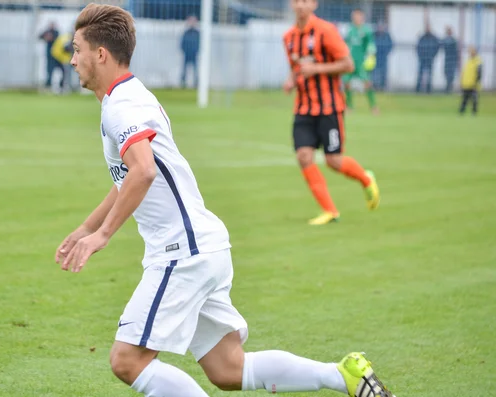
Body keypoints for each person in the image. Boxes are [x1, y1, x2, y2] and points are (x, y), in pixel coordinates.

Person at [59, 3, 394, 397]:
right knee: (227, 368)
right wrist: (88, 227)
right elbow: (131, 176)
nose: (72, 58)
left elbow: (144, 171)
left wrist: (103, 237)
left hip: (182, 253)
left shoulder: (122, 105)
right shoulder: (128, 96)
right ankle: (343, 377)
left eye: (77, 48)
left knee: (126, 360)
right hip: (204, 246)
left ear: (101, 54)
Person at [282, 1, 380, 225]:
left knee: (333, 160)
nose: (300, 5)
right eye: (296, 1)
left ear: (314, 4)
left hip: (329, 107)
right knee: (304, 156)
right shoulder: (288, 37)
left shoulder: (326, 31)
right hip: (304, 108)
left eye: (305, 1)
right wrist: (290, 81)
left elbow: (348, 64)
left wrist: (316, 69)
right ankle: (330, 211)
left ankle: (366, 179)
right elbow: (295, 68)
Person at [343, 9, 378, 113]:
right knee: (346, 83)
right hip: (350, 61)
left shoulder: (366, 31)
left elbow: (371, 45)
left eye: (358, 16)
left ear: (362, 17)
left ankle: (373, 107)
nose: (356, 18)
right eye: (354, 16)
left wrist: (370, 57)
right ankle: (349, 107)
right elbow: (345, 45)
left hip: (361, 62)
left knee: (367, 83)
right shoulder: (349, 30)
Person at [415, 26, 439, 93]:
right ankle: (418, 89)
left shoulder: (433, 38)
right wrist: (420, 56)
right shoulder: (422, 37)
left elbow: (437, 47)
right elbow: (418, 47)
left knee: (430, 74)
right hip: (422, 59)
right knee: (420, 74)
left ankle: (428, 89)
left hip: (430, 59)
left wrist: (432, 55)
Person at [459, 46, 482, 115]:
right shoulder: (468, 61)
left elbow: (479, 74)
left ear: (475, 52)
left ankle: (474, 113)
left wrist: (476, 82)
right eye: (470, 51)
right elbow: (464, 72)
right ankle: (461, 112)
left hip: (473, 84)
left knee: (474, 99)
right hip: (466, 84)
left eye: (472, 51)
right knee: (464, 99)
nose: (470, 52)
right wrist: (462, 82)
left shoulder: (478, 61)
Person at [39, 22, 62, 89]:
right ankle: (48, 84)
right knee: (49, 70)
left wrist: (51, 37)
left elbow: (57, 39)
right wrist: (46, 36)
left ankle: (61, 84)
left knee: (60, 70)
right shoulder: (47, 31)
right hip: (49, 55)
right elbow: (40, 36)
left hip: (57, 55)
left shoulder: (56, 32)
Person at [180, 15, 200, 88]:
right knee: (184, 69)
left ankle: (196, 83)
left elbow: (200, 44)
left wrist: (196, 50)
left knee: (195, 69)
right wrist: (185, 50)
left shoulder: (197, 33)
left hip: (194, 54)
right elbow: (182, 43)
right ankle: (183, 82)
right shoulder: (186, 32)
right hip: (187, 54)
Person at [373, 22, 393, 91]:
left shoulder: (386, 35)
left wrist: (386, 53)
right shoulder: (374, 35)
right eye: (379, 26)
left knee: (383, 72)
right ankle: (375, 86)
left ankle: (382, 86)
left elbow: (391, 45)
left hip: (383, 57)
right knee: (374, 72)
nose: (380, 28)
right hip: (375, 57)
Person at [442, 26, 459, 93]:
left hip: (452, 60)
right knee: (446, 73)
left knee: (451, 74)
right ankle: (448, 87)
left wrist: (456, 60)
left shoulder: (453, 40)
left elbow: (456, 51)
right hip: (447, 59)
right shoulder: (445, 40)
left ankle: (449, 88)